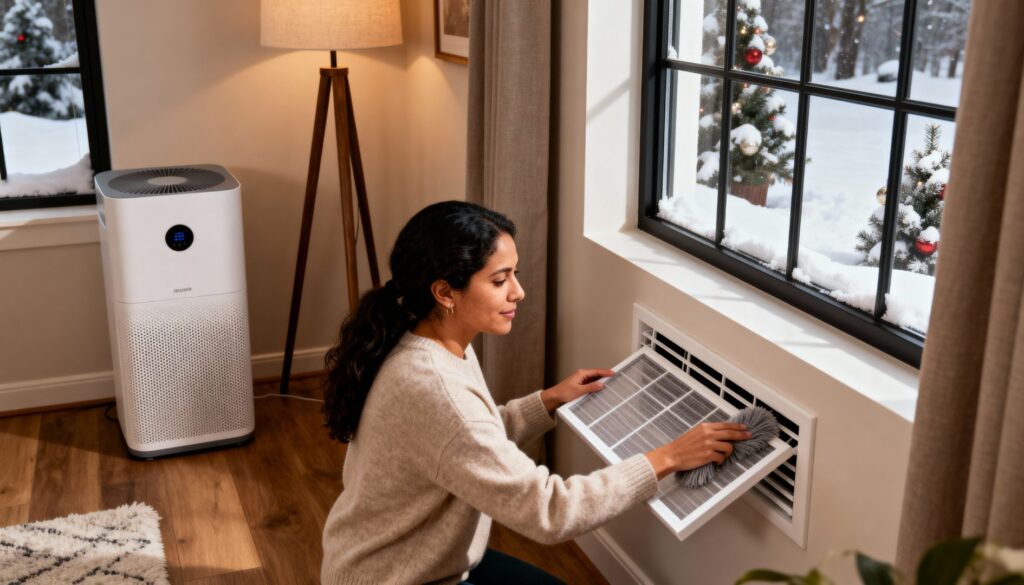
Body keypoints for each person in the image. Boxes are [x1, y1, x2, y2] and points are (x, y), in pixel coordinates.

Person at [320, 201, 750, 585]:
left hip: (423, 562)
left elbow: (465, 441)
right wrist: (667, 458)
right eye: (500, 280)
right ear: (445, 292)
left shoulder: (430, 341)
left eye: (515, 275)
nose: (518, 293)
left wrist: (549, 399)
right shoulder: (434, 387)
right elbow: (551, 511)